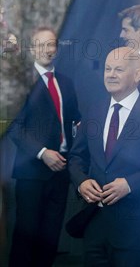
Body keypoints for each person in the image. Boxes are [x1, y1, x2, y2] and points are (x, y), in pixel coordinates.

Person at [68, 47, 140, 266]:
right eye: (108, 69)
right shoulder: (94, 111)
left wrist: (130, 184)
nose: (110, 74)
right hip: (94, 227)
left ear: (137, 75)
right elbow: (75, 158)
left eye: (118, 69)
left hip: (136, 231)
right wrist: (81, 182)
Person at [7, 26, 80, 267]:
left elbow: (74, 120)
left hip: (61, 172)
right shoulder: (20, 82)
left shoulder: (67, 83)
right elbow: (13, 127)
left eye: (51, 45)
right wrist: (42, 153)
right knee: (26, 238)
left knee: (50, 239)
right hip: (31, 173)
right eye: (41, 45)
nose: (47, 50)